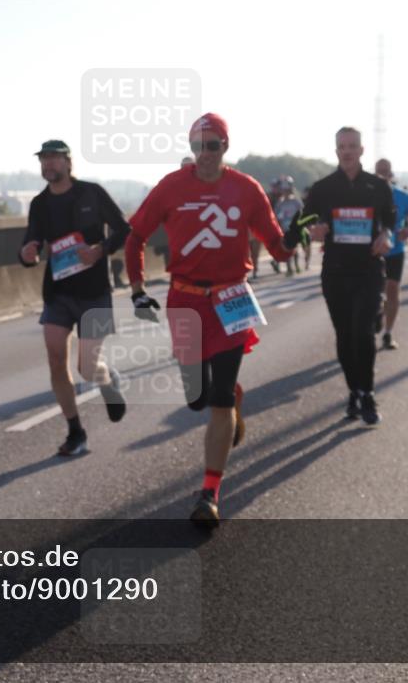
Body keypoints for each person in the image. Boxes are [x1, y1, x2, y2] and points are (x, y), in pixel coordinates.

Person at [125, 113, 301, 527]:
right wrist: (137, 289)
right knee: (196, 397)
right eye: (197, 145)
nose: (204, 154)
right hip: (185, 300)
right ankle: (232, 396)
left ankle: (210, 493)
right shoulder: (171, 186)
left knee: (217, 398)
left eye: (212, 145)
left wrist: (295, 238)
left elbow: (278, 249)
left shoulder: (246, 189)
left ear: (225, 147)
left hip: (231, 297)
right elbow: (135, 236)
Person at [19, 140, 130, 457]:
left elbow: (124, 229)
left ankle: (108, 381)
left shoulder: (91, 193)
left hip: (94, 291)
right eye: (44, 159)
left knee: (87, 367)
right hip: (58, 293)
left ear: (68, 162)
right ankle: (75, 431)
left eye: (54, 158)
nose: (48, 164)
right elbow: (31, 241)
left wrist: (99, 250)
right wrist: (27, 253)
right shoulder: (40, 203)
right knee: (55, 359)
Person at [290, 127, 395, 425]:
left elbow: (389, 220)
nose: (347, 151)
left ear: (362, 150)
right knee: (345, 335)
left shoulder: (378, 186)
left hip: (369, 269)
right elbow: (303, 222)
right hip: (336, 272)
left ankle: (368, 393)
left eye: (352, 146)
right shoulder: (323, 188)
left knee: (363, 332)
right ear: (336, 150)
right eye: (342, 146)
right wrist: (312, 230)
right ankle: (354, 391)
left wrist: (386, 236)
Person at [376, 160, 408, 351]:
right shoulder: (365, 195)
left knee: (392, 290)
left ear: (390, 174)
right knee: (373, 292)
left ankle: (388, 333)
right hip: (371, 252)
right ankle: (377, 313)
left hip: (395, 251)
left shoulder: (402, 196)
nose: (381, 175)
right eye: (378, 171)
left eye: (385, 172)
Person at [274, 181, 304, 276]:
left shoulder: (296, 201)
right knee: (287, 247)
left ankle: (296, 264)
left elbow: (302, 212)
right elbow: (275, 215)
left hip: (294, 228)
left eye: (287, 190)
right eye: (284, 191)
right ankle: (289, 267)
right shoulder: (280, 203)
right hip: (284, 228)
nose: (285, 192)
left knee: (295, 247)